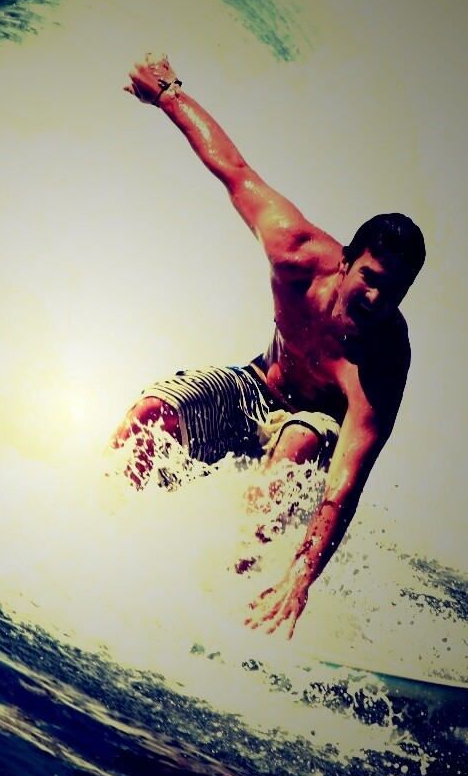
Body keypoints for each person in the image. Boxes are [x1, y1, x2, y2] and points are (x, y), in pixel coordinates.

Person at [110, 53, 425, 639]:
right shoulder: (294, 251)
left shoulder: (383, 362)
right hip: (256, 385)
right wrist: (169, 93)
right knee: (152, 413)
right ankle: (100, 525)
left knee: (300, 439)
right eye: (370, 279)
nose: (377, 299)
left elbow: (344, 486)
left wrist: (300, 578)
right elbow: (234, 170)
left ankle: (230, 596)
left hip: (311, 433)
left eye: (395, 291)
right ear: (346, 261)